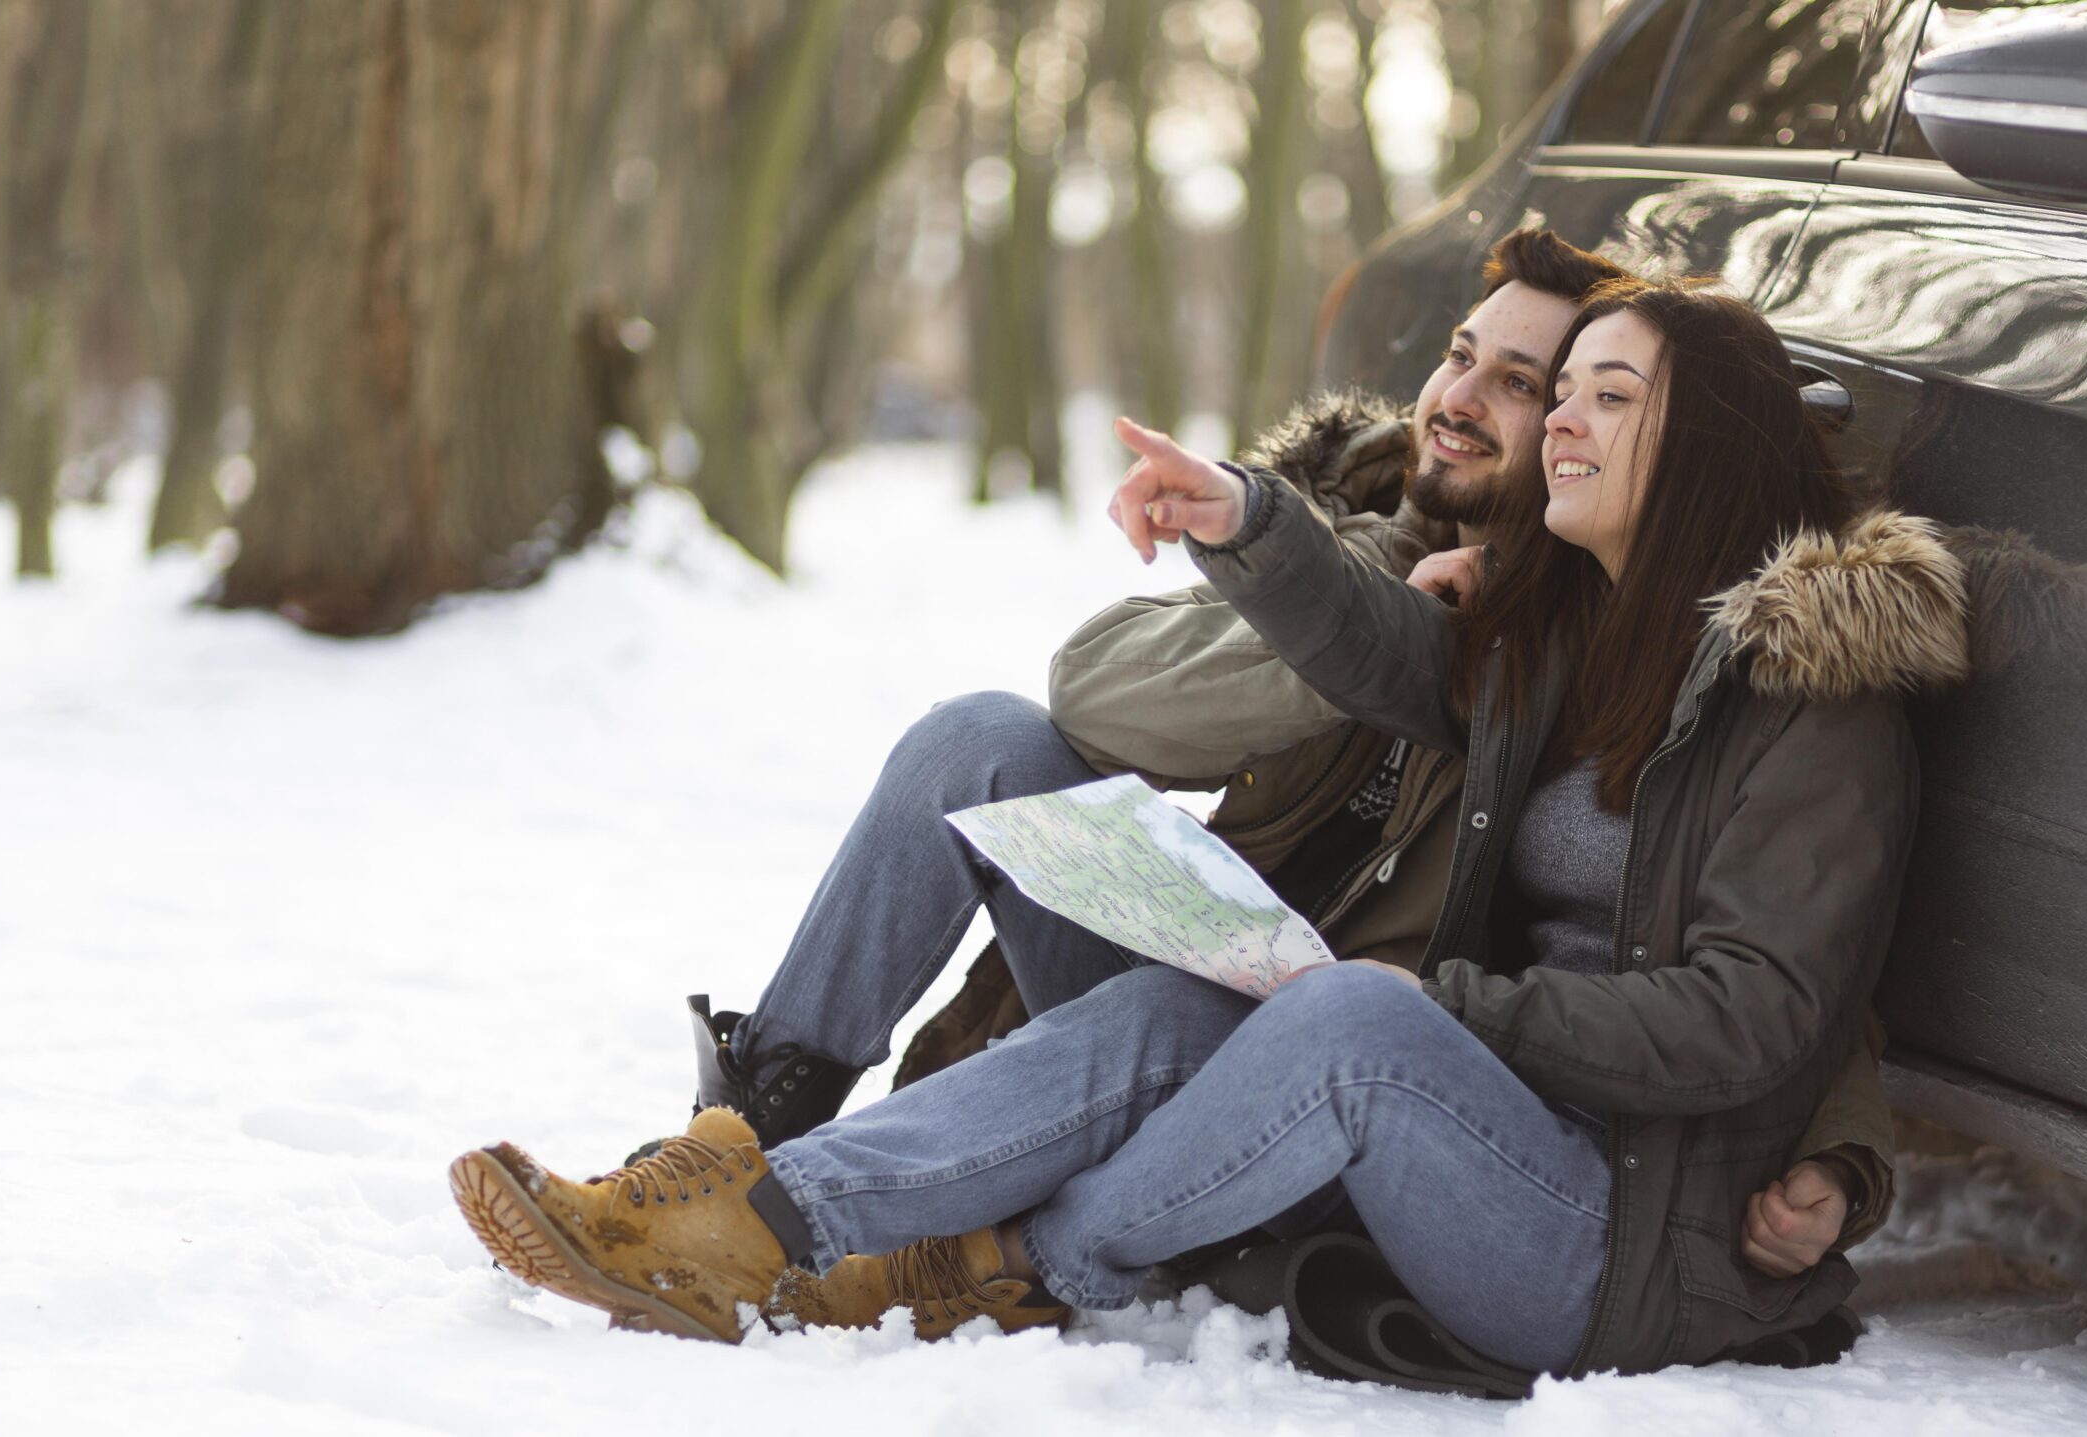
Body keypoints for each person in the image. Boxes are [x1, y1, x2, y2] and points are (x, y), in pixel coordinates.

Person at [448, 275, 1969, 1378]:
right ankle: (752, 1208)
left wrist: (1462, 1012)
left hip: (1612, 1227)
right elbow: (1366, 654)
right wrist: (1252, 525)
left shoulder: (1812, 707)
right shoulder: (1566, 634)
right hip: (1380, 1075)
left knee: (1345, 1018)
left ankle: (1006, 1257)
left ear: (1700, 448)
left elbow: (1775, 1003)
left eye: (1595, 394)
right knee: (1214, 979)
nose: (1557, 417)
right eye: (1549, 387)